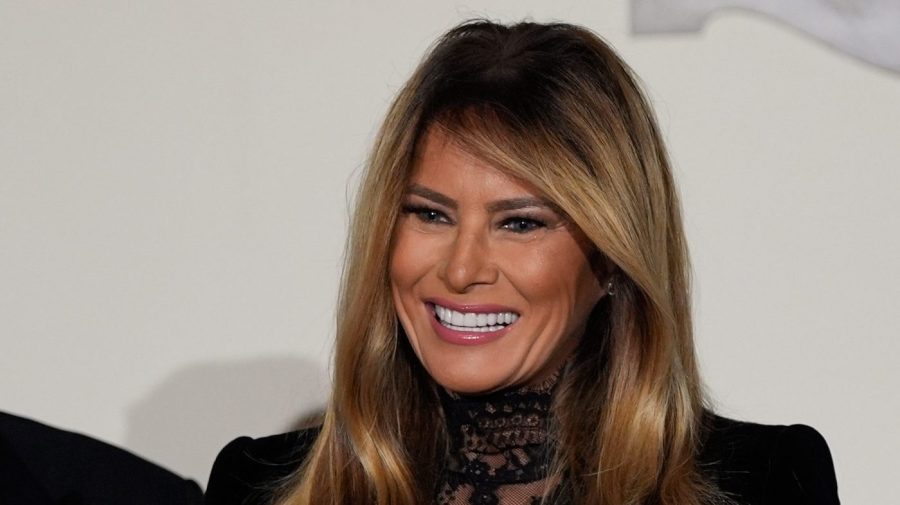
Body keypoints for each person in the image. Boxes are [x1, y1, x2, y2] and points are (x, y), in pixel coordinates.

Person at [205, 20, 839, 505]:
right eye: (429, 214)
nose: (462, 271)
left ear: (612, 257)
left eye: (520, 223)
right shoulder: (254, 485)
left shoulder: (766, 481)